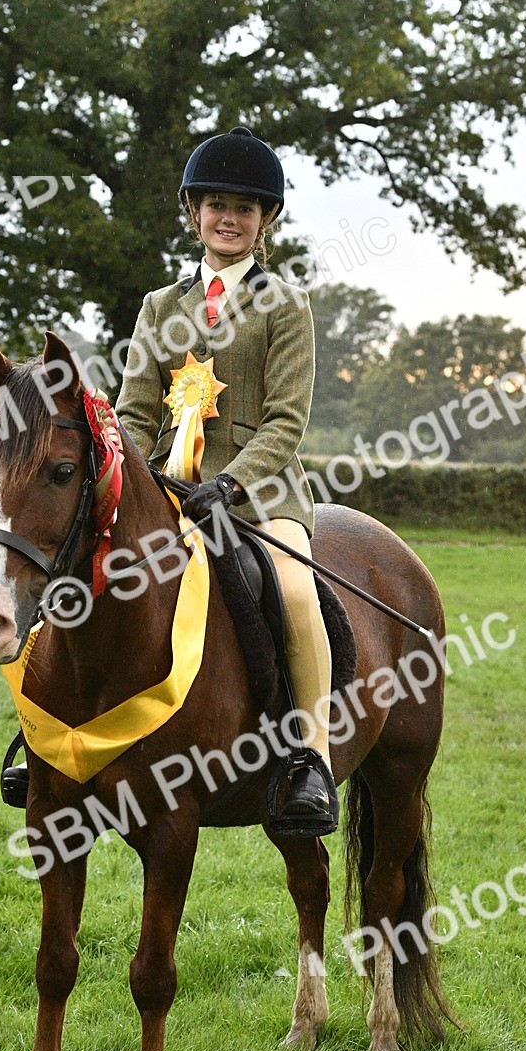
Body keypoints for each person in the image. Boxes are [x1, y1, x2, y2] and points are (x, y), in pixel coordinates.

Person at [115, 126, 337, 833]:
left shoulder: (284, 304)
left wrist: (231, 486)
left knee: (296, 590)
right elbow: (132, 413)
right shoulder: (160, 306)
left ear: (265, 219)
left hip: (259, 495)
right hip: (168, 492)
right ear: (193, 212)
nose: (229, 217)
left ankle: (310, 758)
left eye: (245, 206)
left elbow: (285, 421)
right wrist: (138, 480)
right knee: (79, 571)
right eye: (216, 204)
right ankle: (45, 741)